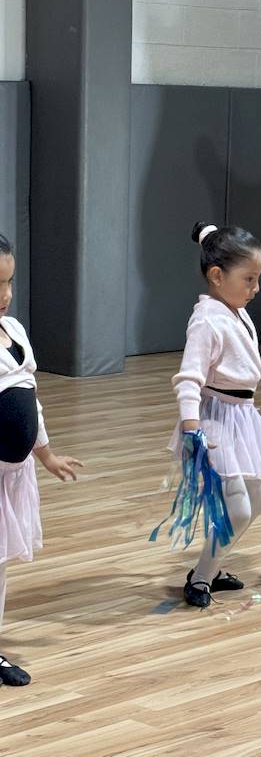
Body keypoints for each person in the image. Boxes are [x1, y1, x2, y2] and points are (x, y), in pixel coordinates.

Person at [167, 223, 261, 609]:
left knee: (259, 497)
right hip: (215, 421)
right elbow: (189, 379)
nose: (256, 288)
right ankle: (201, 577)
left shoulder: (235, 312)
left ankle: (212, 567)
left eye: (257, 278)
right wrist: (192, 430)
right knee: (238, 508)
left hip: (242, 417)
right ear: (217, 276)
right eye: (249, 279)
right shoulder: (207, 320)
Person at [0, 233, 81, 686]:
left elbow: (31, 398)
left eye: (9, 282)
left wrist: (45, 453)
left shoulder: (15, 331)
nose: (6, 295)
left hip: (13, 474)